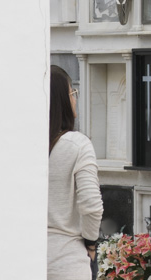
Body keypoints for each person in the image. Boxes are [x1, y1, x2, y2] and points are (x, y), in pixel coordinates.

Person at [47, 73, 103, 280]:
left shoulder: (25, 143)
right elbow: (91, 204)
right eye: (72, 92)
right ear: (62, 99)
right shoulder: (77, 144)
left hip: (25, 257)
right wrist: (90, 242)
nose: (75, 98)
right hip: (67, 260)